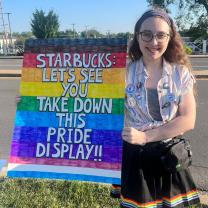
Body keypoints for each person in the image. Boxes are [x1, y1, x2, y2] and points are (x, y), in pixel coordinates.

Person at [111, 7, 201, 208]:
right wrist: (35, 101)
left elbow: (188, 119)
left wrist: (145, 137)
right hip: (135, 158)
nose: (153, 42)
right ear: (137, 36)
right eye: (147, 34)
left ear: (170, 37)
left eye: (161, 35)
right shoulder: (122, 73)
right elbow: (92, 101)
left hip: (169, 157)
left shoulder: (180, 73)